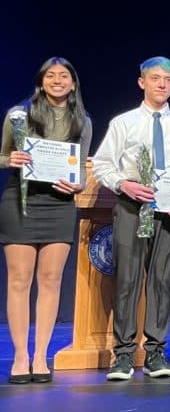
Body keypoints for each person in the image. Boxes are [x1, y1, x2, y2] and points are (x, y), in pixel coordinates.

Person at [92, 56, 170, 381]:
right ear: (142, 82)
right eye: (155, 78)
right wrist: (122, 183)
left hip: (168, 215)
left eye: (168, 80)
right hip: (130, 207)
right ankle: (123, 354)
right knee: (126, 280)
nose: (162, 84)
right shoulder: (123, 123)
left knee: (160, 282)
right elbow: (102, 165)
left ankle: (156, 351)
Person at [1, 57, 92, 384]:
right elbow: (2, 155)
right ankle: (20, 356)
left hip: (59, 203)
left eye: (63, 75)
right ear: (41, 82)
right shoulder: (18, 114)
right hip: (22, 201)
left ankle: (40, 356)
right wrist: (9, 158)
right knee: (19, 280)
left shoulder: (82, 120)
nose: (57, 80)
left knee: (51, 280)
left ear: (73, 82)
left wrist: (79, 184)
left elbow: (80, 168)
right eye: (50, 75)